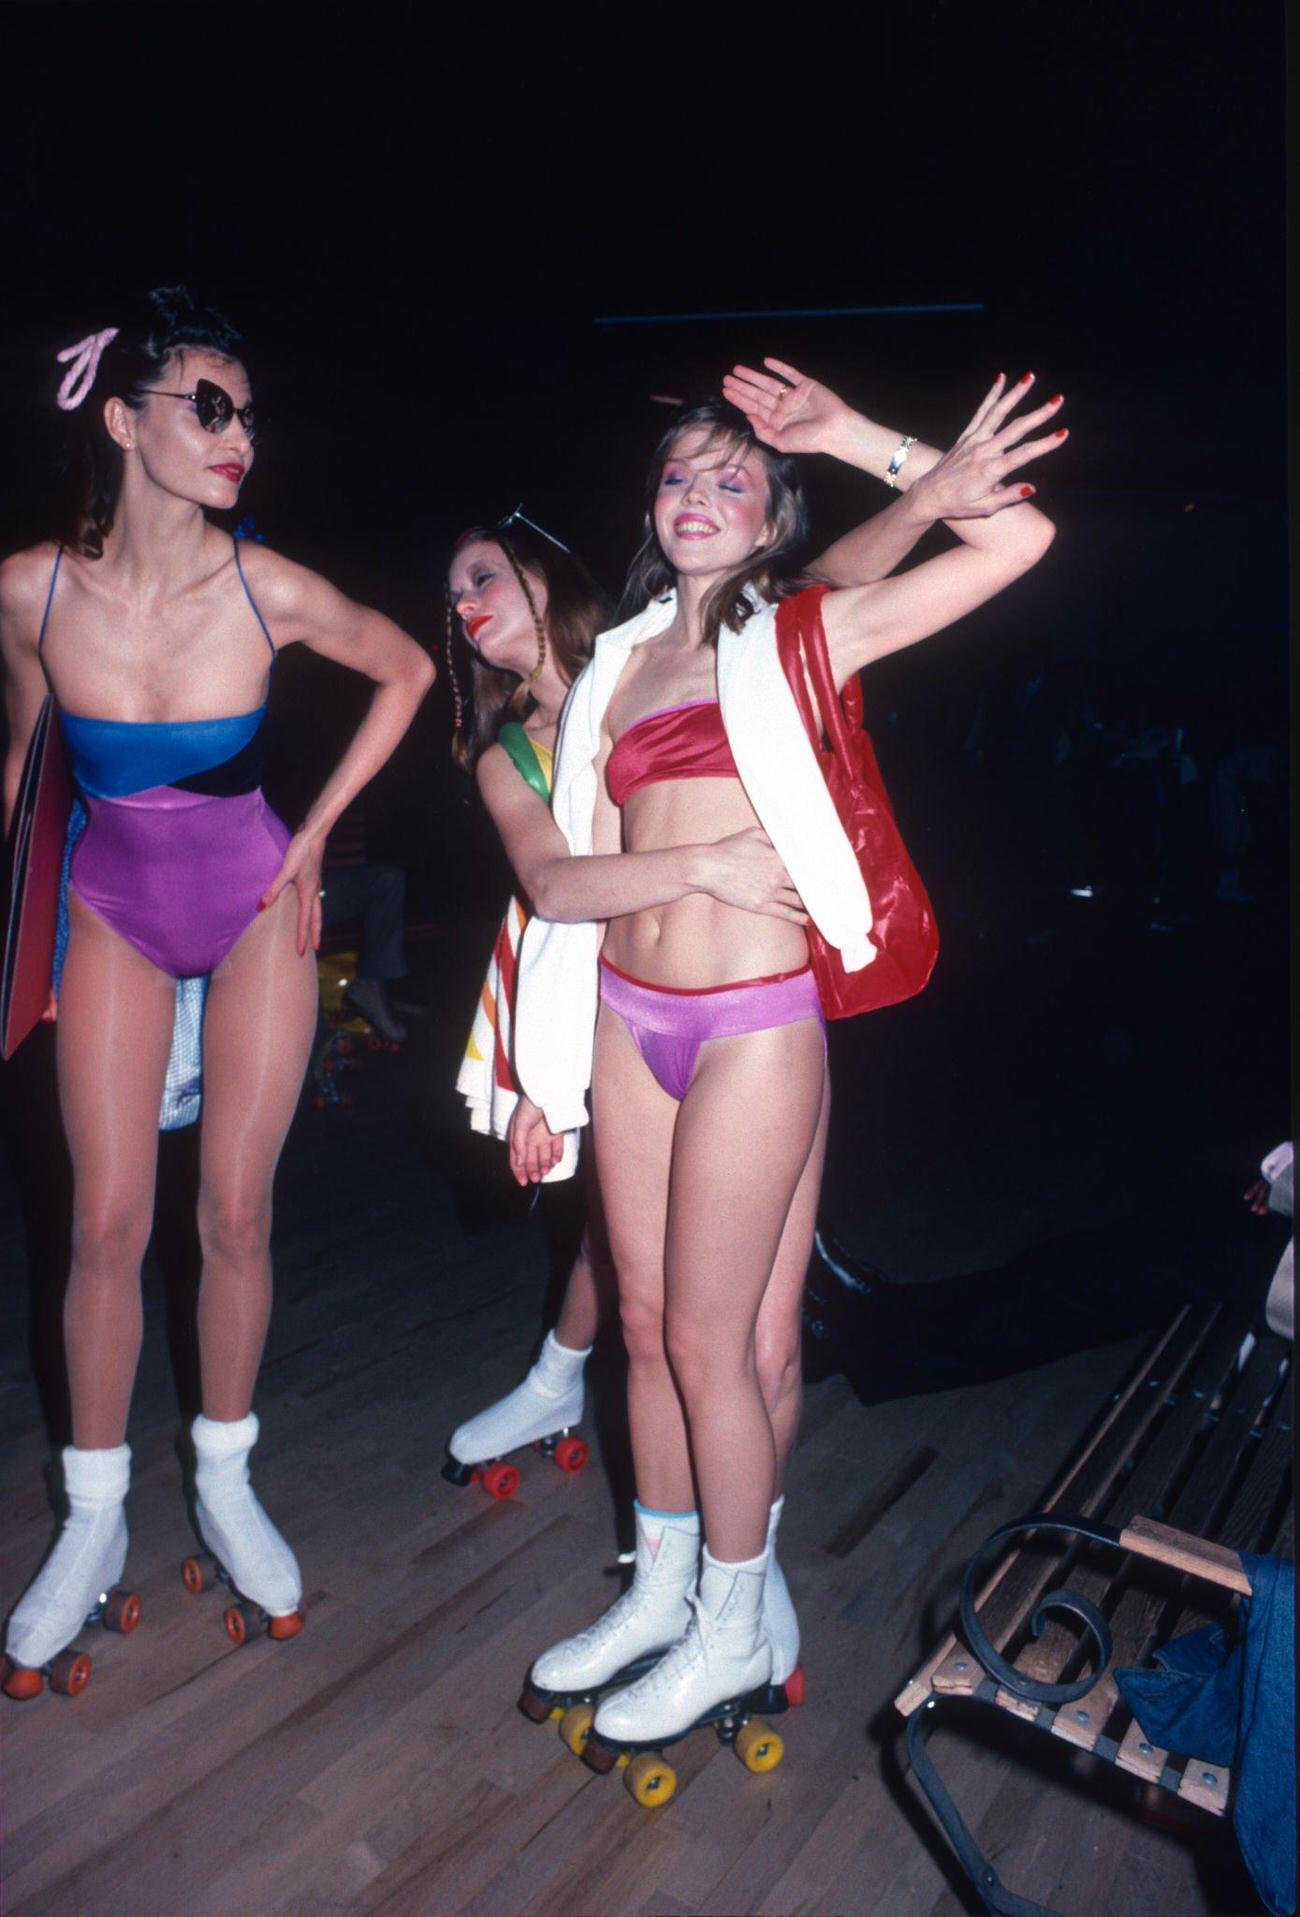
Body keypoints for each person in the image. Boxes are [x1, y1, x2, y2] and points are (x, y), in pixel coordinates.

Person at [509, 360, 1067, 1761]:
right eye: (677, 475)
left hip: (755, 1022)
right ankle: (668, 1589)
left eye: (730, 475)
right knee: (644, 1331)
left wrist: (859, 439)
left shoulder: (806, 634)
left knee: (716, 1342)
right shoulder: (620, 663)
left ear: (771, 520)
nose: (697, 493)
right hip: (628, 1015)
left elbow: (1020, 539)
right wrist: (534, 1063)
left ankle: (734, 1618)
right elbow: (566, 867)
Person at [0, 287, 433, 1696]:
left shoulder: (269, 584)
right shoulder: (31, 591)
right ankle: (94, 1516)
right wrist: (31, 940)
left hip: (253, 904)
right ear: (123, 421)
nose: (239, 433)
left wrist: (310, 838)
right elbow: (21, 773)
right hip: (110, 908)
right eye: (208, 405)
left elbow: (410, 668)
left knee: (232, 1211)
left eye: (246, 411)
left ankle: (229, 1483)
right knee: (106, 1223)